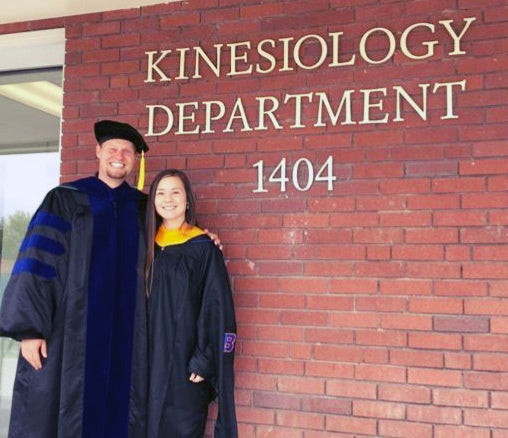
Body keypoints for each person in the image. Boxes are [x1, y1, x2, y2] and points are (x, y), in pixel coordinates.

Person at [0, 120, 150, 437]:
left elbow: (173, 252)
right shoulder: (65, 200)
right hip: (69, 333)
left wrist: (206, 241)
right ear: (98, 151)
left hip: (128, 335)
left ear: (135, 159)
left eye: (127, 151)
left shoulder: (143, 209)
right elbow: (37, 263)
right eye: (112, 149)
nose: (119, 156)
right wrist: (30, 329)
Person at [145, 169, 238, 438]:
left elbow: (216, 307)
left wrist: (204, 359)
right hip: (145, 360)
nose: (168, 199)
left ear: (187, 200)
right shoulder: (144, 245)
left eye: (176, 191)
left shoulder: (203, 248)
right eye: (160, 192)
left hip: (183, 363)